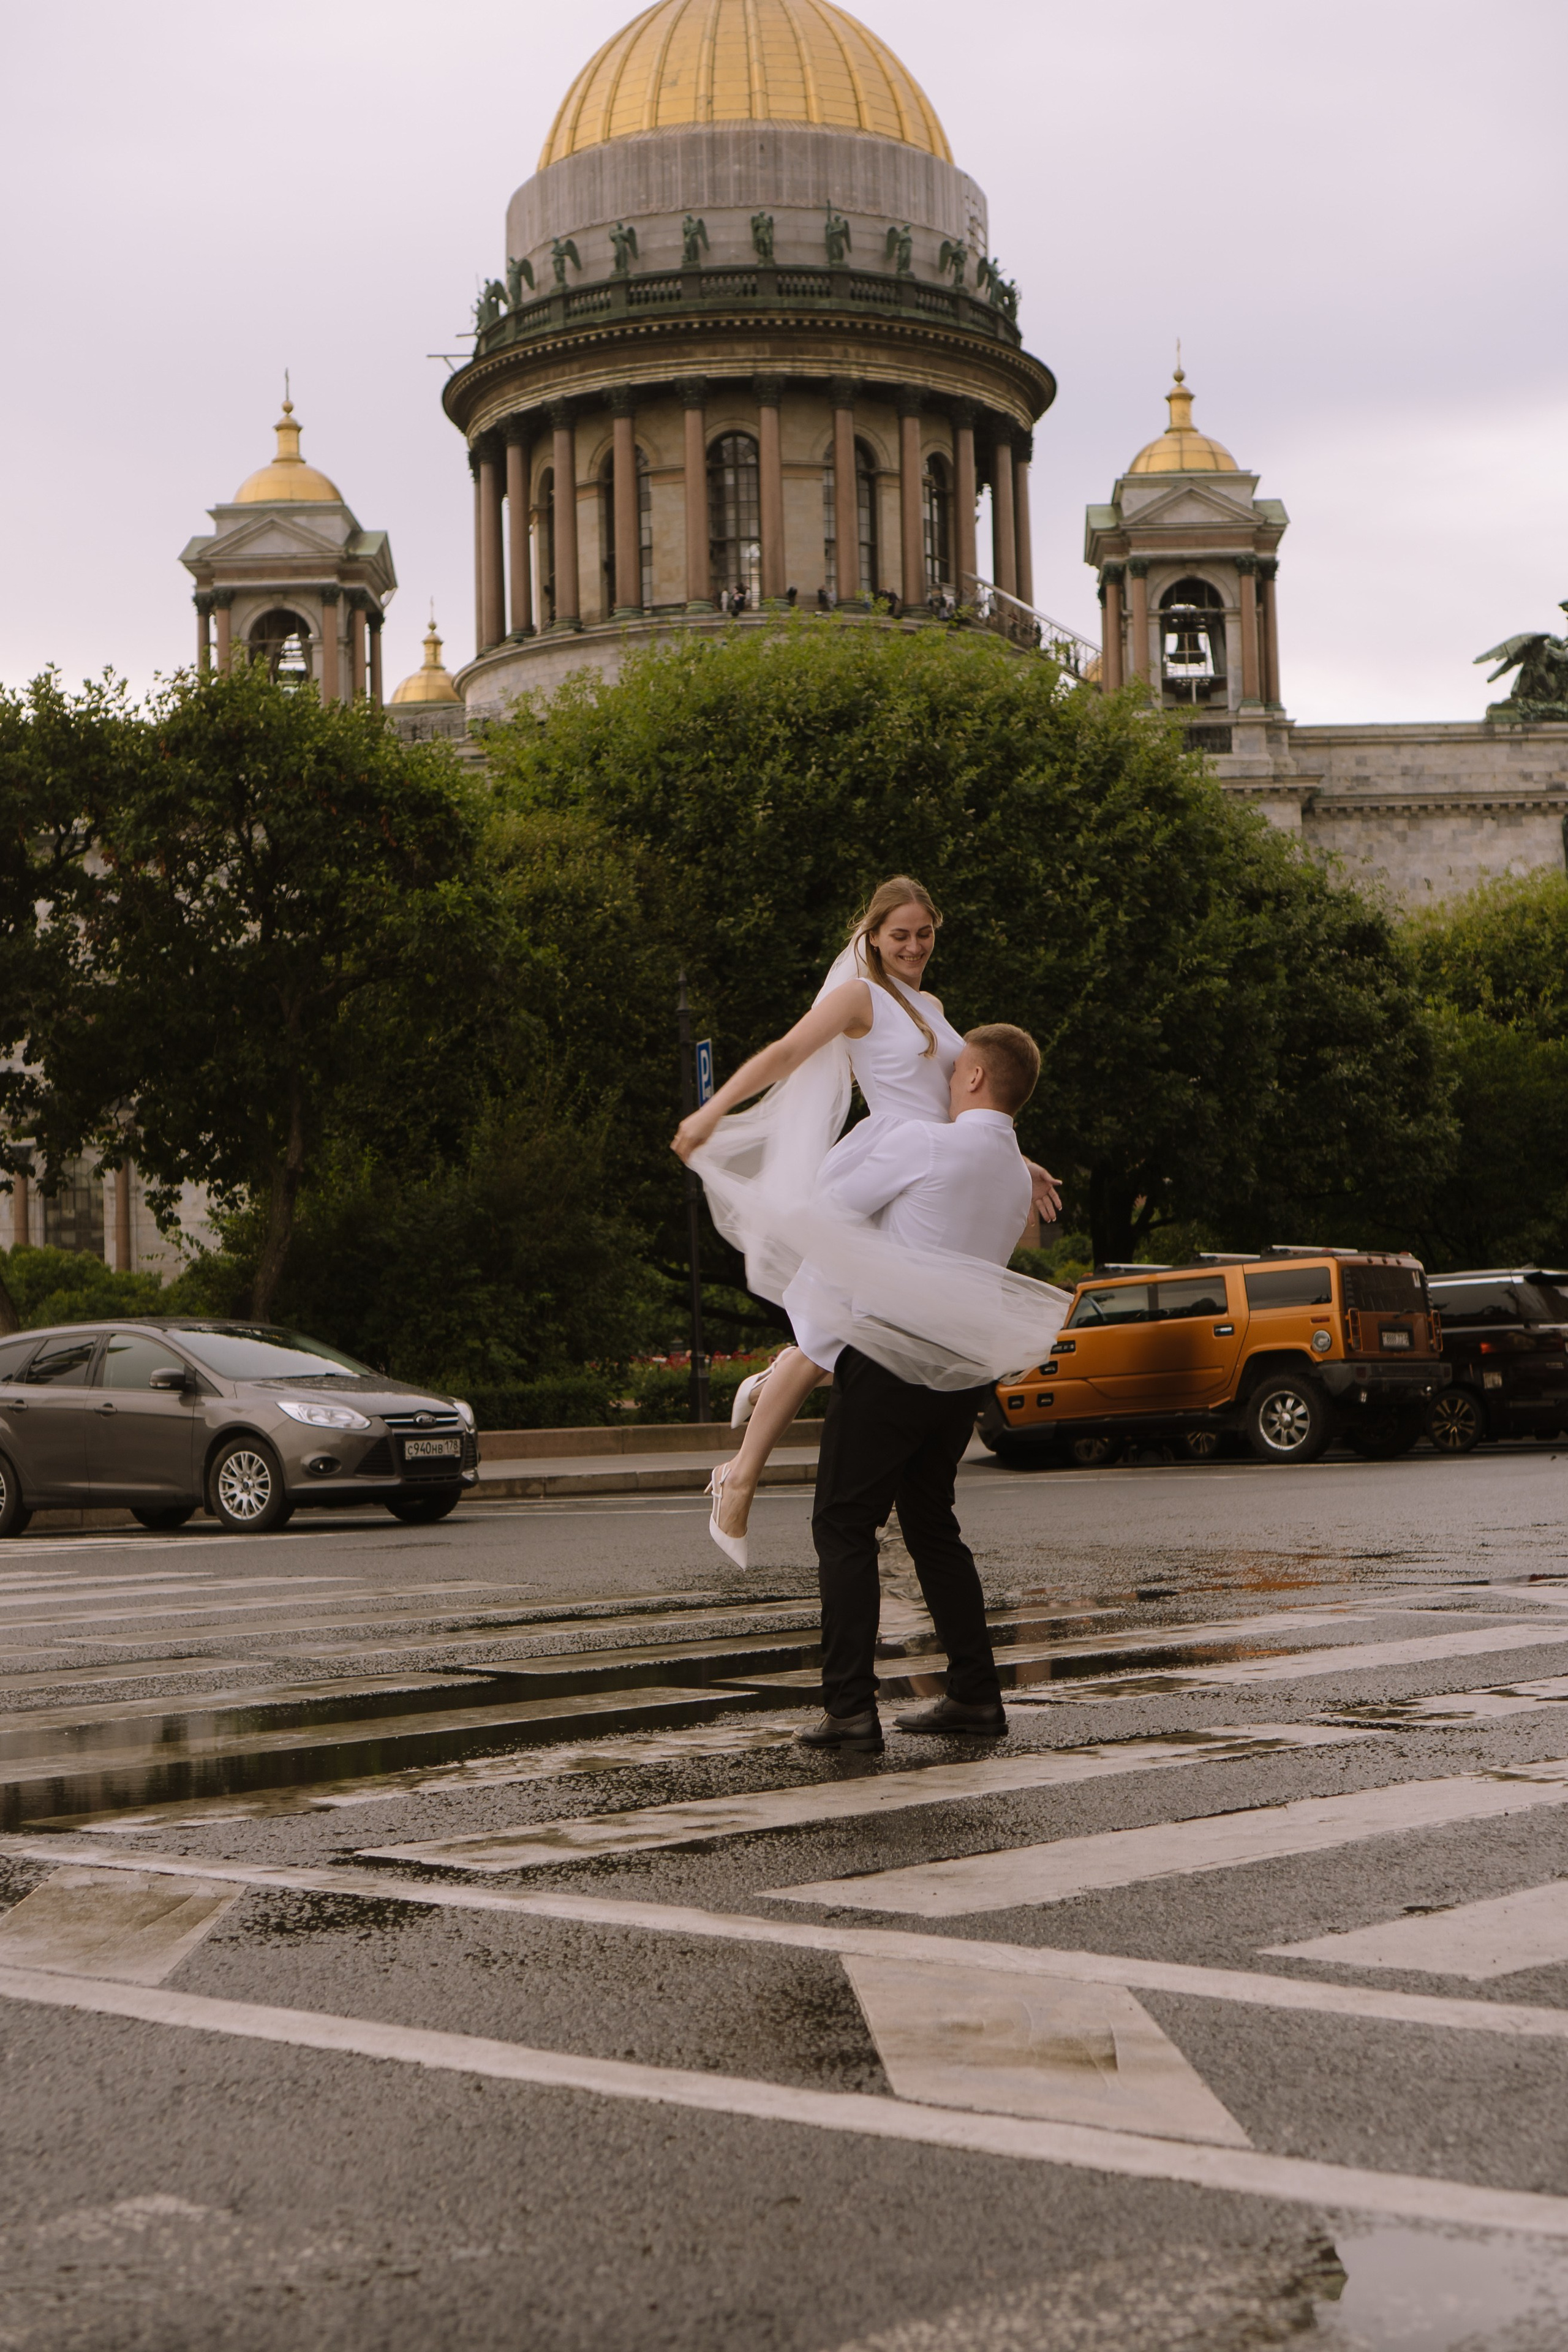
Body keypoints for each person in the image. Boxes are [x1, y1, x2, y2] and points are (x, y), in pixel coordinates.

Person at [671, 878, 1066, 1567]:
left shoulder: (933, 1007)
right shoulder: (859, 997)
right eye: (899, 935)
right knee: (836, 1329)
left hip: (926, 1173)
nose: (913, 946)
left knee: (865, 1330)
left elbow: (961, 1101)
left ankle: (759, 1436)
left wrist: (1015, 1157)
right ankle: (738, 1478)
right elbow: (786, 1054)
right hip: (887, 1163)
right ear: (874, 935)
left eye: (924, 934)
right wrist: (714, 1111)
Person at [800, 1023, 1042, 1751]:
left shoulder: (925, 1143)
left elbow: (828, 1211)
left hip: (893, 1355)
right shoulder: (1014, 1174)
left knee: (844, 1525)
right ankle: (975, 1694)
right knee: (932, 1525)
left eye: (951, 1068)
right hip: (958, 1371)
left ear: (972, 1078)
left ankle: (849, 1709)